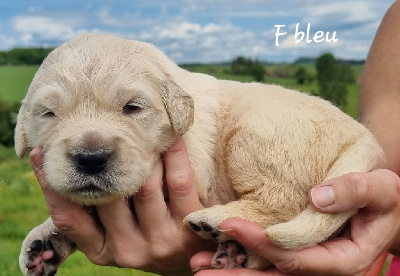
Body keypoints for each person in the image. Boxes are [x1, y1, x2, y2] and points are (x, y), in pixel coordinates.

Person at [30, 1, 400, 275]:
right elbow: (383, 177)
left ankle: (269, 210)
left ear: (176, 108)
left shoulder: (194, 113)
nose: (89, 150)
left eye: (131, 108)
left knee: (258, 126)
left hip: (316, 147)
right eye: (50, 112)